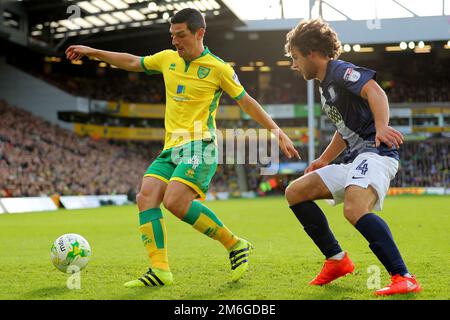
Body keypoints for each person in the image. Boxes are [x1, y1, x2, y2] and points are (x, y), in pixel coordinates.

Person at [66, 8, 299, 287]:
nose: (175, 41)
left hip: (201, 144)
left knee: (175, 201)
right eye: (172, 35)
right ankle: (160, 270)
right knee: (146, 197)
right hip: (171, 149)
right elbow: (131, 61)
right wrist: (92, 51)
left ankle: (235, 244)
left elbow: (246, 101)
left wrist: (277, 132)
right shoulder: (167, 59)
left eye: (181, 35)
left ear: (199, 33)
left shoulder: (218, 68)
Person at [283, 19, 421, 296]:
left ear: (311, 52)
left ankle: (403, 276)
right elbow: (343, 131)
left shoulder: (340, 70)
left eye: (296, 57)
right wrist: (324, 160)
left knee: (354, 209)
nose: (294, 65)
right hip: (357, 157)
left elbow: (375, 91)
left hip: (377, 152)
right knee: (295, 192)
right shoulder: (326, 86)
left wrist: (382, 127)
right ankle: (336, 261)